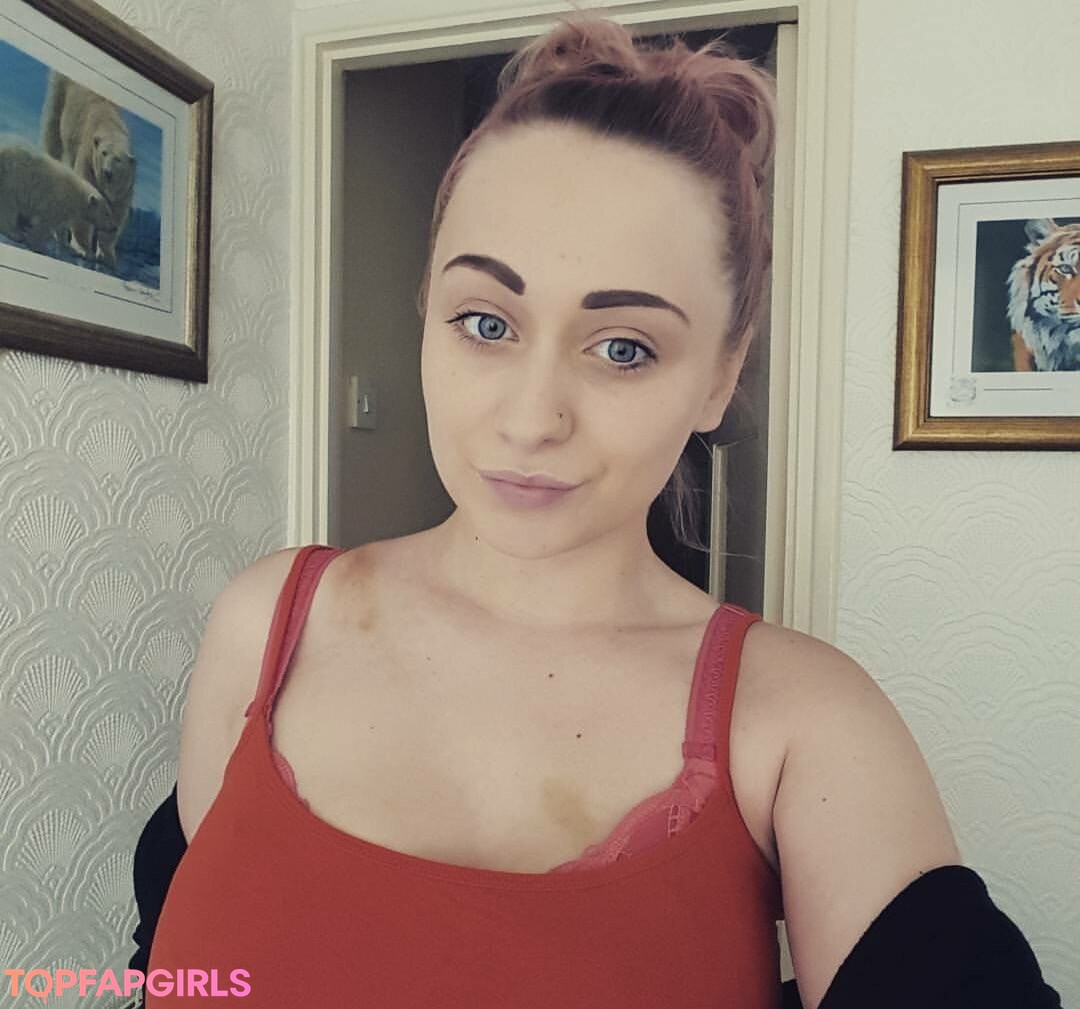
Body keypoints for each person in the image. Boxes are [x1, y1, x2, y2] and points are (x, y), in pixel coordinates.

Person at [131, 8, 1063, 1008]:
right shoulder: (265, 622)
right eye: (486, 322)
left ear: (720, 375)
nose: (531, 420)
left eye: (624, 347)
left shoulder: (804, 726)